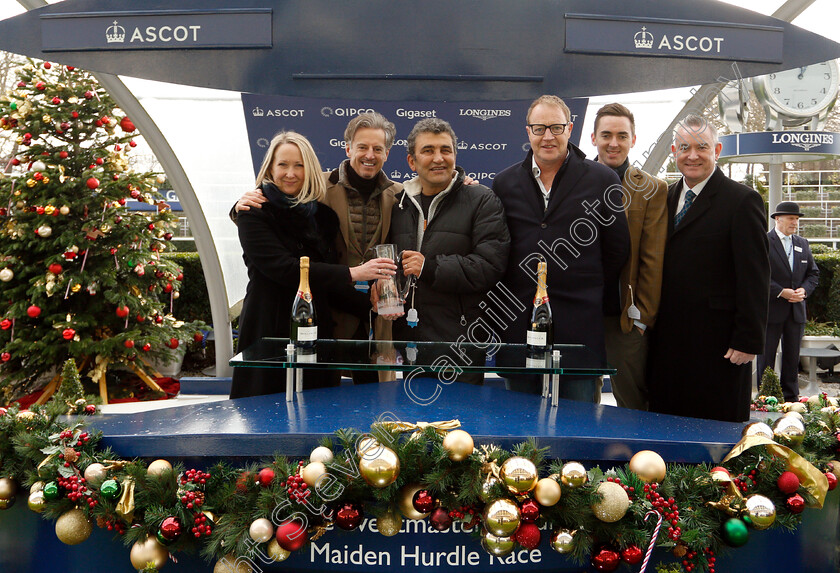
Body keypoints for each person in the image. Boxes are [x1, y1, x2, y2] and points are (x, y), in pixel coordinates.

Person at [235, 112, 400, 383]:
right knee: (265, 415)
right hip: (270, 324)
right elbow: (280, 267)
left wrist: (369, 303)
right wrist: (354, 273)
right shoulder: (257, 209)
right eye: (283, 165)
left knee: (322, 411)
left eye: (298, 165)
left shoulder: (322, 214)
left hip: (322, 325)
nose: (291, 173)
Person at [492, 95, 629, 402]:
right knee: (519, 427)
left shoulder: (602, 180)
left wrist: (581, 284)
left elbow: (617, 250)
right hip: (518, 327)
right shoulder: (503, 183)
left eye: (556, 127)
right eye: (540, 128)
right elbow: (497, 250)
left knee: (579, 427)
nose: (548, 136)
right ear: (528, 131)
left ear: (570, 128)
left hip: (579, 329)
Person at [647, 115, 770, 422]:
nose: (692, 155)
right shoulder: (665, 196)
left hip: (719, 347)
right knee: (667, 428)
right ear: (674, 151)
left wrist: (748, 340)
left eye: (701, 147)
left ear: (716, 150)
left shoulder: (742, 200)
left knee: (715, 436)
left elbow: (755, 276)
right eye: (685, 147)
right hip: (668, 344)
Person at [383, 118, 510, 382]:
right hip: (409, 341)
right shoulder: (399, 205)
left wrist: (429, 267)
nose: (438, 158)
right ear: (411, 161)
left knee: (460, 423)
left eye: (445, 150)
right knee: (412, 422)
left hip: (461, 345)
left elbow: (489, 266)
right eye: (428, 150)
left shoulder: (482, 199)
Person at [591, 103, 667, 411]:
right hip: (577, 316)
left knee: (633, 405)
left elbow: (653, 258)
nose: (613, 142)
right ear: (594, 138)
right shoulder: (571, 182)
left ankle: (637, 460)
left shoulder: (651, 189)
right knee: (577, 403)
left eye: (622, 135)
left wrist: (642, 319)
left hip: (624, 318)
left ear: (633, 140)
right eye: (606, 134)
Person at [756, 201, 819, 402]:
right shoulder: (764, 241)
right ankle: (766, 399)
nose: (795, 223)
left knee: (792, 358)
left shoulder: (802, 243)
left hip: (796, 311)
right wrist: (780, 292)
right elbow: (758, 275)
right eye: (791, 218)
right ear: (777, 218)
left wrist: (804, 290)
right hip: (771, 310)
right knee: (766, 357)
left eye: (797, 219)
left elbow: (813, 274)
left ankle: (791, 400)